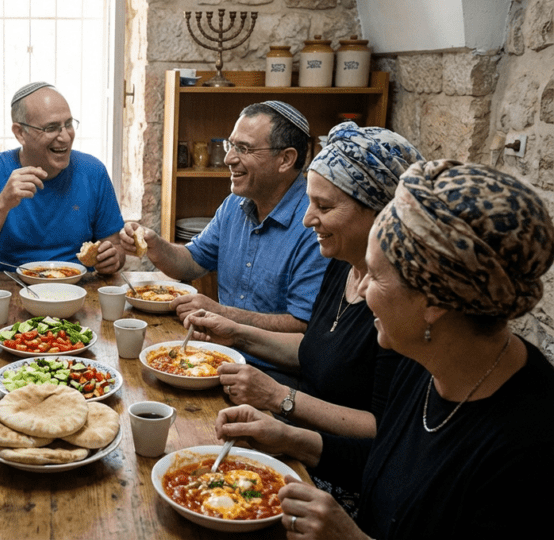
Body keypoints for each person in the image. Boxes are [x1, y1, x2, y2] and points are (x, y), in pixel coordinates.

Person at [214, 160, 554, 539]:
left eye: (375, 277)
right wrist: (286, 436)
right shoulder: (427, 360)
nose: (361, 292)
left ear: (433, 302)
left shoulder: (530, 445)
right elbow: (383, 465)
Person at [186, 122, 419, 439]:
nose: (307, 219)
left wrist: (279, 397)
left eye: (323, 206)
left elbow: (385, 430)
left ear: (381, 213)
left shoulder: (403, 300)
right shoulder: (340, 264)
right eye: (309, 202)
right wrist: (236, 333)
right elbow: (314, 353)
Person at [122, 101, 328, 337]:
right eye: (231, 145)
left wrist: (222, 313)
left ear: (286, 159)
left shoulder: (315, 226)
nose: (229, 158)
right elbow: (192, 261)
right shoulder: (234, 204)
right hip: (222, 351)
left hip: (272, 369)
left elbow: (303, 326)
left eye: (244, 149)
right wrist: (155, 245)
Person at [0, 82, 125, 274]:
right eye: (51, 128)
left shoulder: (93, 172)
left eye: (68, 124)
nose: (66, 137)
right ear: (20, 133)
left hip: (78, 290)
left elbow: (115, 246)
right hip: (11, 288)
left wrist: (113, 258)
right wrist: (2, 203)